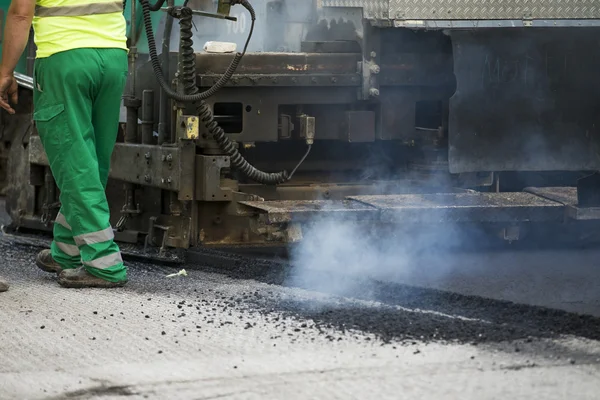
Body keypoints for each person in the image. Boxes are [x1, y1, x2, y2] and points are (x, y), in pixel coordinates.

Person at [0, 0, 129, 288]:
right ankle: (68, 251)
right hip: (114, 58)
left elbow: (21, 13)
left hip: (65, 58)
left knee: (75, 163)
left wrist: (5, 72)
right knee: (92, 160)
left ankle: (104, 263)